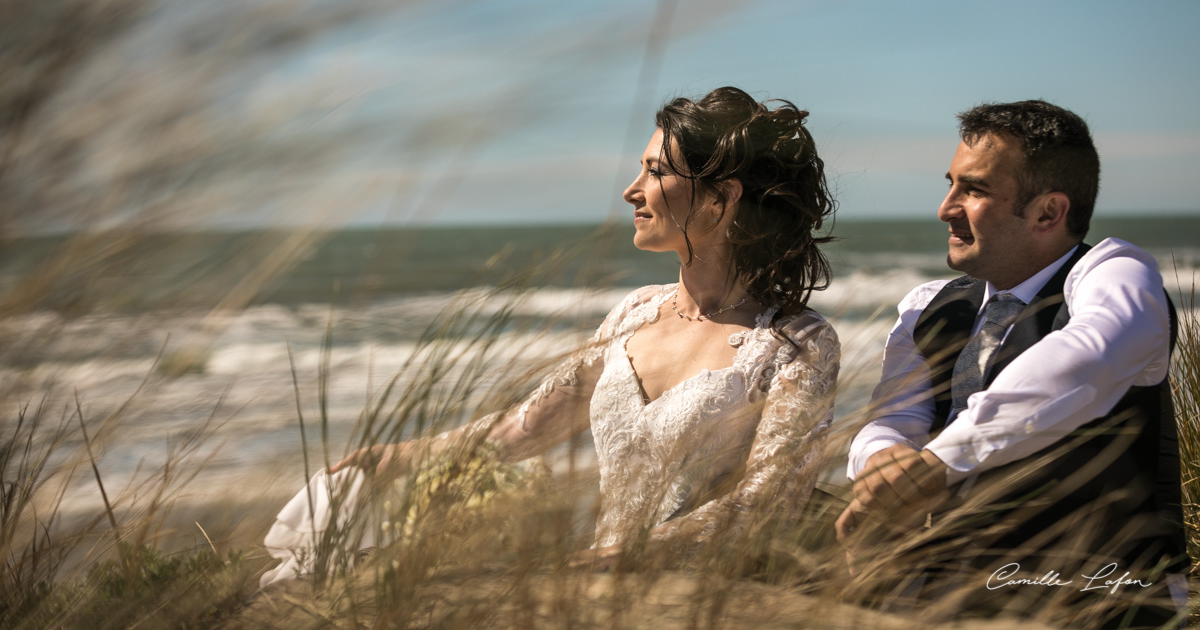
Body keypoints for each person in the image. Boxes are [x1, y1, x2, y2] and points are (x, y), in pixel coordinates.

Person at [261, 86, 840, 584]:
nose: (631, 189)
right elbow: (525, 427)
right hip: (594, 582)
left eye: (656, 172)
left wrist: (624, 559)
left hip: (706, 595)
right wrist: (396, 457)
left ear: (723, 196)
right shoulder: (633, 313)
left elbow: (769, 500)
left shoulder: (799, 343)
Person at [836, 100, 1188, 628]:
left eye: (972, 190)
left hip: (1104, 604)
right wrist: (882, 462)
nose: (945, 207)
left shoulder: (1114, 275)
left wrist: (936, 467)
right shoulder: (928, 305)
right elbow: (893, 418)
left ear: (1048, 212)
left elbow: (1085, 357)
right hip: (935, 603)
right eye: (950, 184)